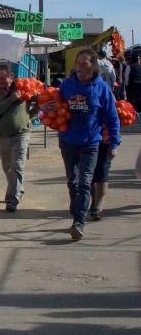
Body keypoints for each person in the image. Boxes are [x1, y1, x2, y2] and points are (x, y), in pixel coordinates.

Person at [47, 48, 121, 240]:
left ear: (93, 66)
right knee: (72, 181)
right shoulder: (67, 85)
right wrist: (46, 107)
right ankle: (77, 211)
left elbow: (111, 117)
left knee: (84, 182)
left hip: (91, 142)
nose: (79, 65)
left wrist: (114, 142)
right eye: (78, 62)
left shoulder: (101, 88)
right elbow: (55, 106)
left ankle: (79, 222)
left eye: (84, 62)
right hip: (68, 141)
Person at [0, 64, 38, 212]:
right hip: (2, 135)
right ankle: (17, 190)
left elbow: (40, 100)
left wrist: (30, 116)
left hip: (21, 133)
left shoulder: (24, 88)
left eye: (3, 78)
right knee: (7, 167)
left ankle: (12, 199)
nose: (0, 81)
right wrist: (10, 100)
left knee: (17, 165)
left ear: (11, 77)